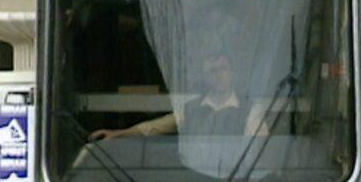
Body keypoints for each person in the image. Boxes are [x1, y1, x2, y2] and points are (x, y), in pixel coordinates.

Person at [90, 54, 264, 141]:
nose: (219, 75)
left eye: (223, 69)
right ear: (205, 77)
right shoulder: (191, 109)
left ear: (232, 73)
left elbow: (260, 154)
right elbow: (153, 128)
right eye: (212, 70)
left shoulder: (250, 111)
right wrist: (118, 133)